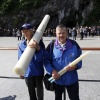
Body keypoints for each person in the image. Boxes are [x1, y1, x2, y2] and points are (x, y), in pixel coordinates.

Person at [44, 24, 82, 100]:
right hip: (57, 80)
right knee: (58, 98)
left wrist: (75, 66)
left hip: (71, 79)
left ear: (67, 33)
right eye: (59, 33)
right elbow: (46, 61)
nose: (61, 35)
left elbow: (79, 60)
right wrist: (52, 71)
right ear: (56, 34)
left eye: (63, 33)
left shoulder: (74, 45)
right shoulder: (51, 46)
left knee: (74, 98)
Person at [18, 23, 45, 100]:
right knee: (31, 95)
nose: (25, 33)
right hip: (28, 73)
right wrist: (20, 71)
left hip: (38, 72)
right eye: (23, 31)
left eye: (26, 31)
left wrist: (38, 48)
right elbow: (20, 59)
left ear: (32, 31)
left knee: (40, 95)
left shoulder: (39, 43)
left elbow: (41, 58)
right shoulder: (21, 44)